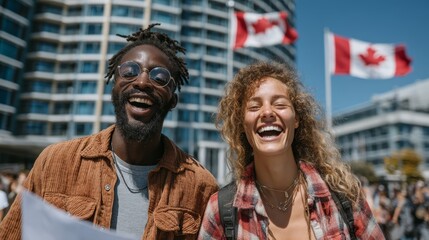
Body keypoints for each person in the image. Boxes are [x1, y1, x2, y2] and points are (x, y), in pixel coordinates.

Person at [0, 23, 218, 240]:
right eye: (129, 71)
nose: (142, 81)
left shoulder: (201, 186)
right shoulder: (55, 162)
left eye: (159, 78)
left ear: (173, 100)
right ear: (114, 88)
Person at [198, 61, 384, 239]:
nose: (267, 112)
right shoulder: (220, 211)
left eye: (280, 104)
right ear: (242, 125)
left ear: (296, 119)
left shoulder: (344, 195)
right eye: (254, 106)